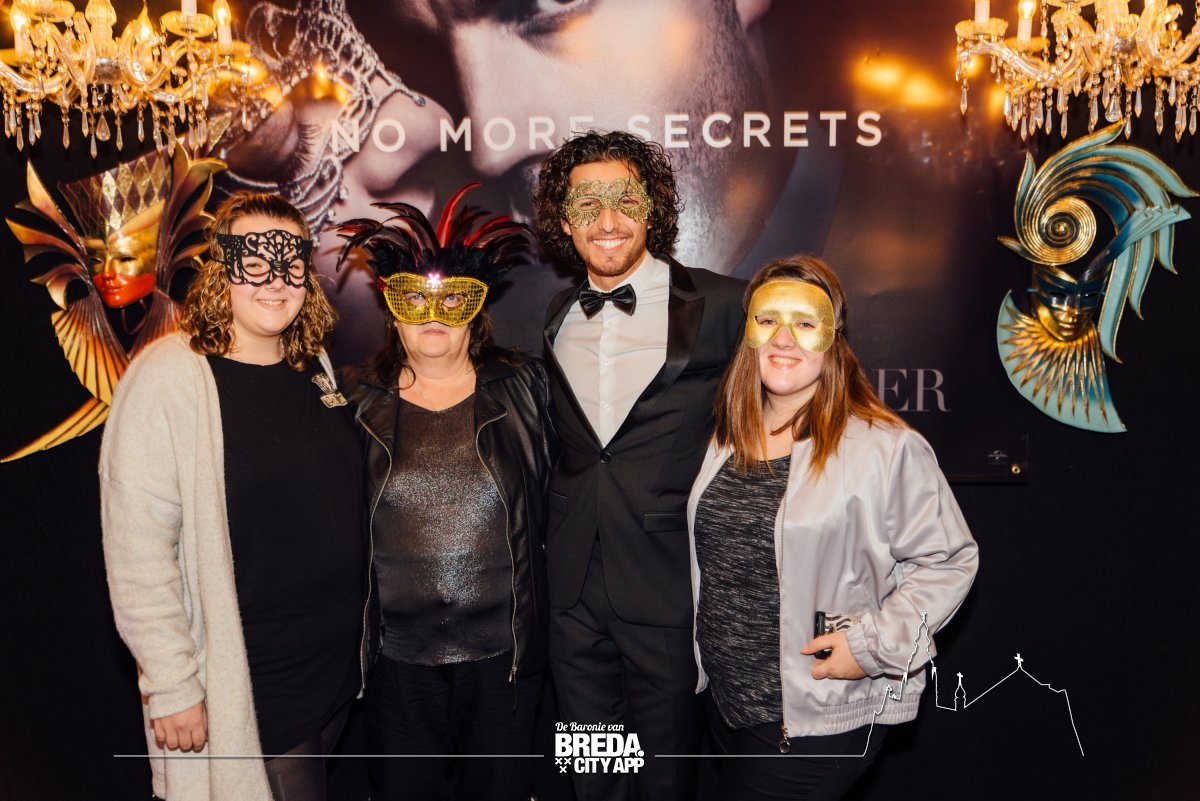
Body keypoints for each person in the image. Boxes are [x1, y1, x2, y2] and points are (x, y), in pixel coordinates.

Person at [100, 192, 366, 801]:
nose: (275, 281)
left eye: (290, 264)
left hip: (329, 669)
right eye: (255, 262)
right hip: (251, 674)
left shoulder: (312, 365)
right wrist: (171, 684)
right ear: (221, 270)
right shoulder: (169, 376)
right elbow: (138, 550)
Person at [686, 255, 979, 800]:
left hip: (818, 717)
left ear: (834, 339)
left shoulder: (884, 448)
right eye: (768, 319)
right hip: (729, 707)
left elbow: (949, 561)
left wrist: (870, 647)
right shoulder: (727, 437)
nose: (784, 339)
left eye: (806, 322)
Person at [532, 130, 746, 801]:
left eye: (626, 200)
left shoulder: (725, 306)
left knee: (664, 776)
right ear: (564, 220)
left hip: (667, 583)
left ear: (653, 209)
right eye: (587, 204)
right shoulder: (556, 316)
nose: (608, 220)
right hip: (572, 592)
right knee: (593, 772)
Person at [335, 183, 555, 801]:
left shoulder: (527, 388)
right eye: (415, 298)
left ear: (476, 312)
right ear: (392, 310)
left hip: (503, 663)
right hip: (395, 667)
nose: (433, 313)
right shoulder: (351, 398)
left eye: (453, 299)